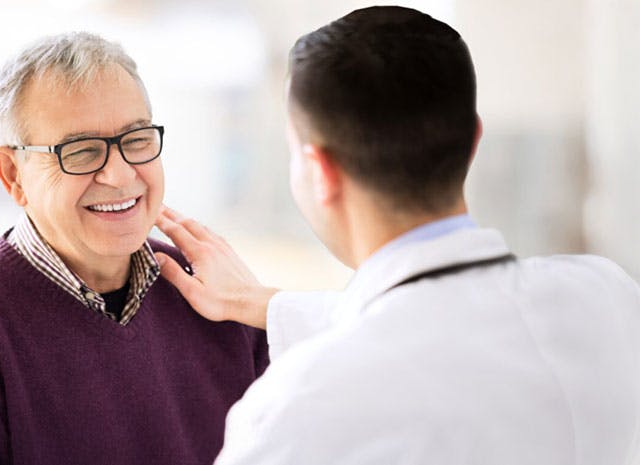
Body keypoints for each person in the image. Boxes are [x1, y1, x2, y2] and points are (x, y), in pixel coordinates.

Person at [155, 6, 640, 464]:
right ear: (474, 140)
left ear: (319, 170)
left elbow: (411, 337)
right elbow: (444, 328)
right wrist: (264, 303)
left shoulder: (298, 409)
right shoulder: (604, 295)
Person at [0, 32, 268, 465]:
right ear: (12, 174)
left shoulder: (219, 295)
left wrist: (263, 310)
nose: (120, 175)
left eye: (137, 139)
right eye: (83, 151)